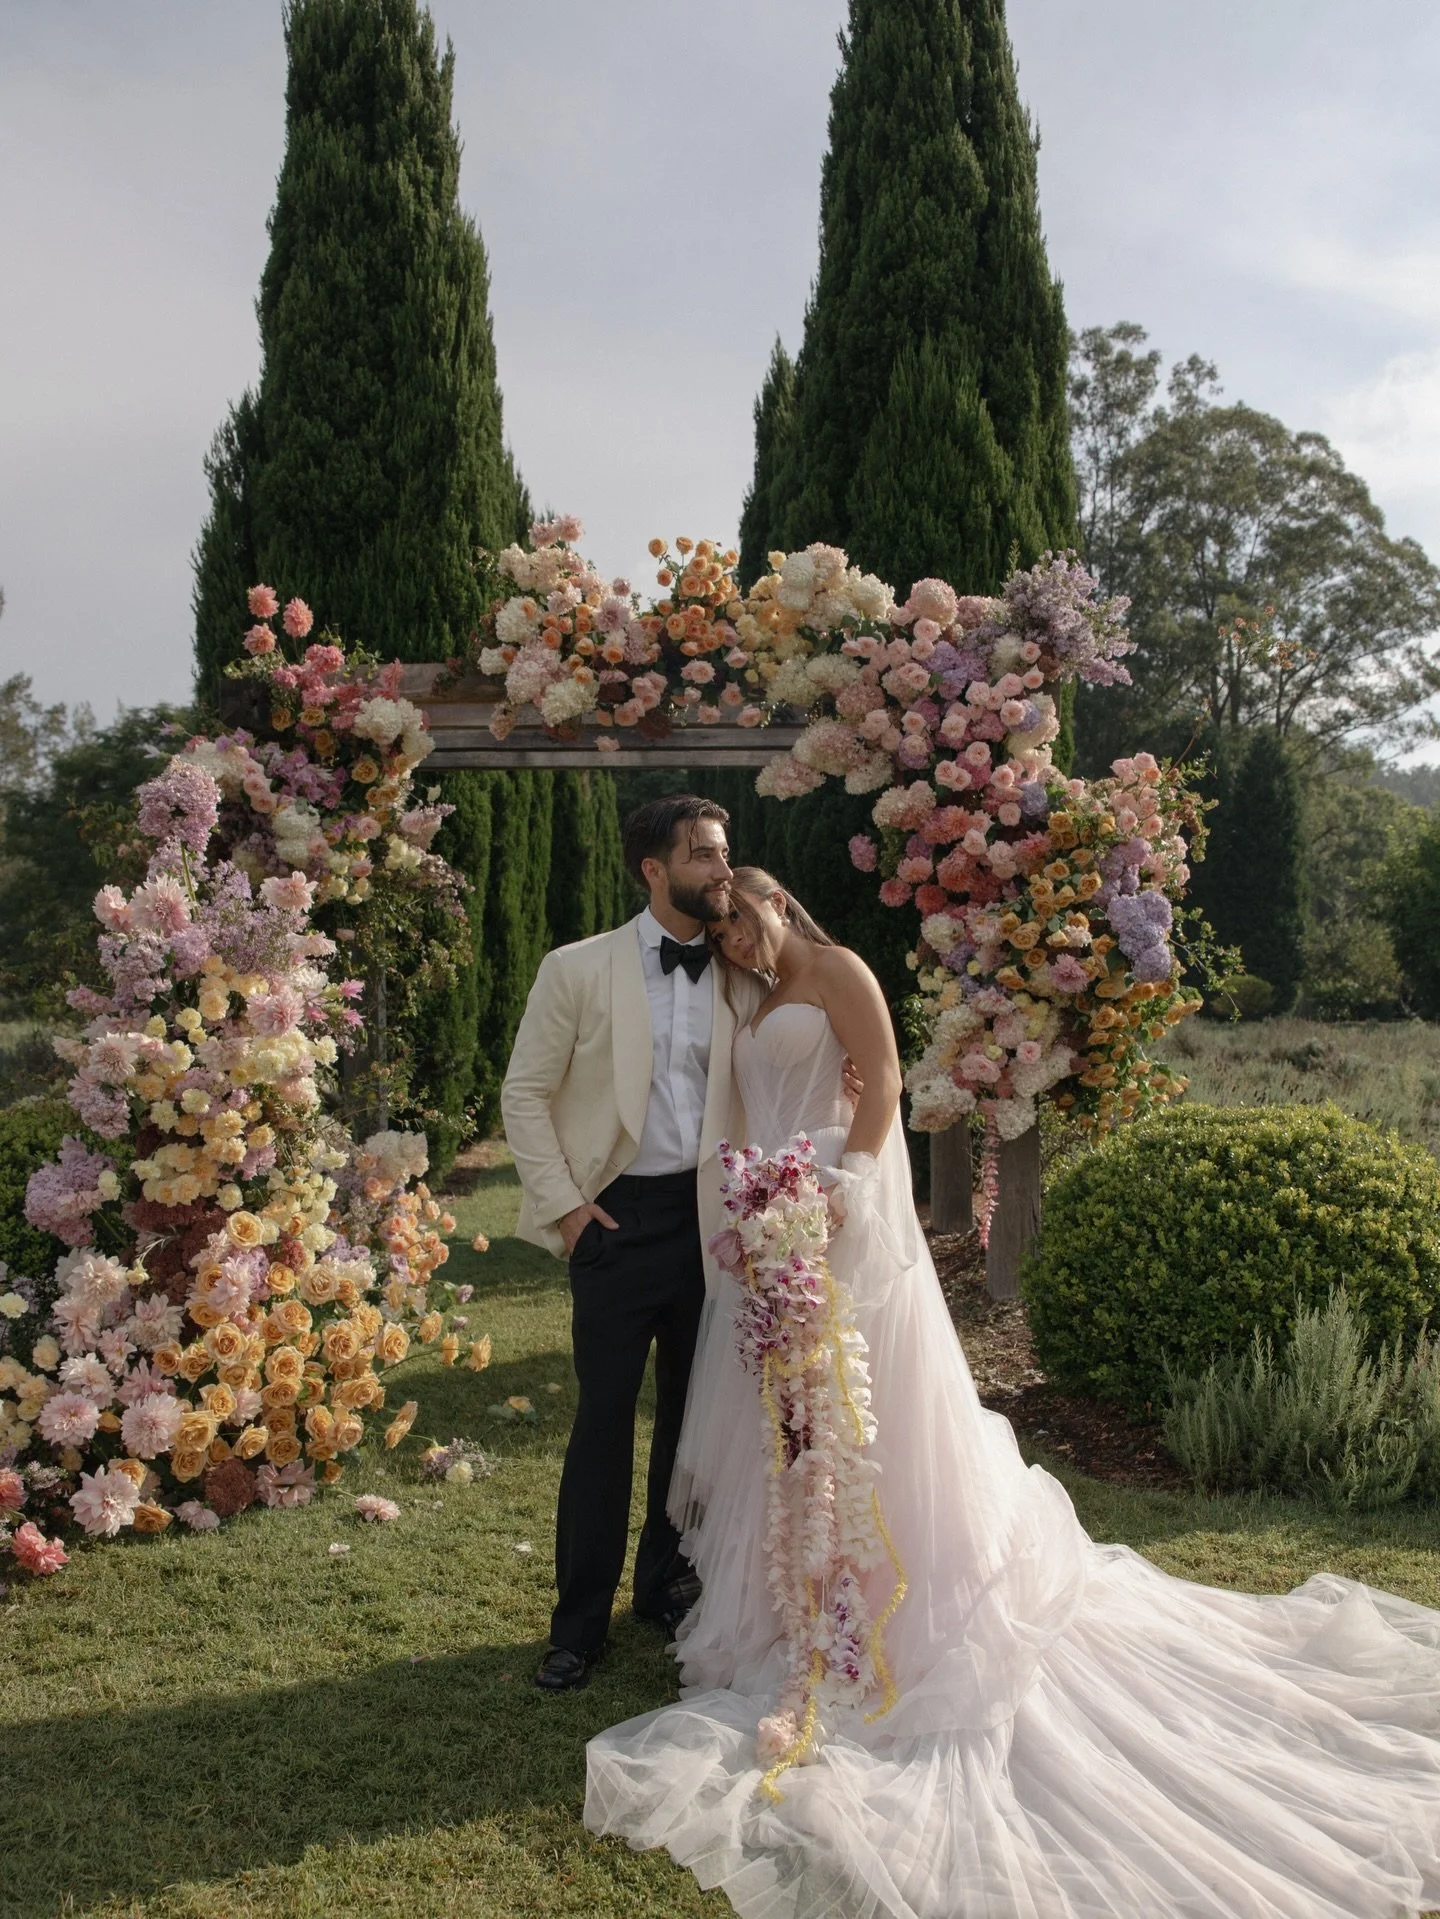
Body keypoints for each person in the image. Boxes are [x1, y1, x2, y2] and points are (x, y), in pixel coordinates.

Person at [585, 866, 1440, 1919]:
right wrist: (759, 1206)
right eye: (719, 943)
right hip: (775, 1227)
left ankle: (899, 1606)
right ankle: (799, 1610)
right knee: (793, 1423)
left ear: (773, 901)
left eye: (742, 929)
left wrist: (847, 1182)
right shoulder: (748, 996)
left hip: (842, 1219)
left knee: (870, 1416)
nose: (737, 951)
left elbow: (886, 1079)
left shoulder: (838, 968)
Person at [501, 795, 760, 1691]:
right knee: (603, 1426)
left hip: (710, 1227)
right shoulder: (575, 968)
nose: (721, 871)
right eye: (702, 855)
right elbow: (523, 1094)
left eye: (724, 852)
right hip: (613, 1224)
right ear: (653, 869)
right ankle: (577, 1623)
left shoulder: (736, 967)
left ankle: (662, 1584)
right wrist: (569, 1209)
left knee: (695, 1420)